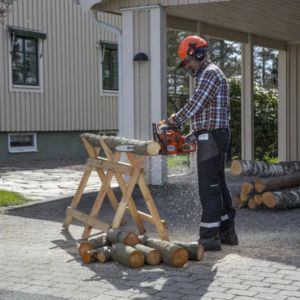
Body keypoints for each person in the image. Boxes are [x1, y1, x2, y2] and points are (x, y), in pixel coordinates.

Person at [165, 35, 238, 251]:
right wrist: (189, 135)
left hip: (212, 136)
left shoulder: (210, 73)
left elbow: (197, 104)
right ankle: (227, 233)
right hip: (212, 134)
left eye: (188, 62)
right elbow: (204, 115)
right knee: (218, 184)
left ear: (197, 53)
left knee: (209, 187)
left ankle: (209, 238)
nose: (187, 66)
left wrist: (174, 120)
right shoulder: (208, 75)